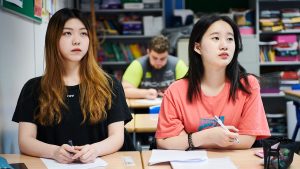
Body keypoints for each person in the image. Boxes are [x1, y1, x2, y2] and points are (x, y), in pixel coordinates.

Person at [12, 8, 134, 164]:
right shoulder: (33, 88)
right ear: (53, 39)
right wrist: (53, 152)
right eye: (67, 33)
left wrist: (95, 150)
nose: (77, 40)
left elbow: (117, 137)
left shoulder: (110, 84)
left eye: (83, 33)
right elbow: (25, 141)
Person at [155, 14, 270, 150]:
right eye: (216, 38)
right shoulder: (176, 91)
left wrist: (188, 140)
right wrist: (207, 136)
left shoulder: (248, 85)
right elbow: (165, 142)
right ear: (198, 47)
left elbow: (248, 139)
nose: (224, 45)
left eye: (230, 39)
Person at [122, 35, 188, 99]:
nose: (158, 62)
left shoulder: (178, 64)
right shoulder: (137, 65)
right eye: (154, 58)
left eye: (162, 59)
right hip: (143, 109)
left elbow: (189, 90)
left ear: (168, 53)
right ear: (148, 52)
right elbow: (124, 91)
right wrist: (145, 93)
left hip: (171, 107)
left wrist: (171, 94)